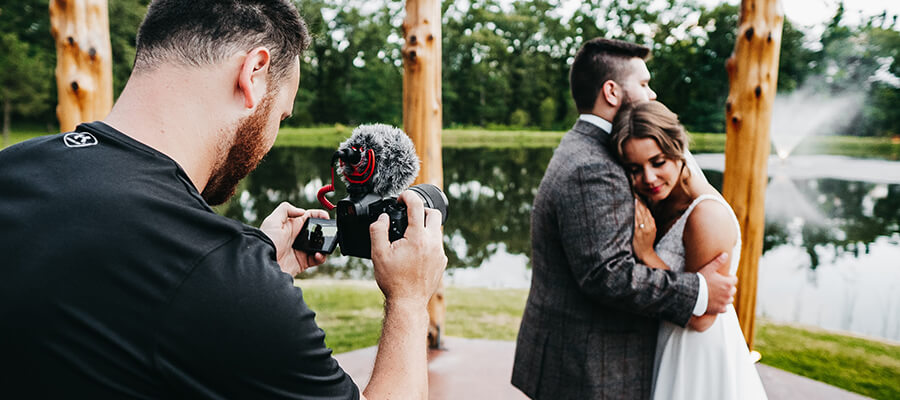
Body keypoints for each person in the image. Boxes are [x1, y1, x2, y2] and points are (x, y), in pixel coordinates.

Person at [0, 1, 446, 398]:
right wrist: (408, 298)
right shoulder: (216, 272)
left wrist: (259, 262)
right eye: (281, 115)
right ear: (253, 73)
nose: (271, 138)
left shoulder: (14, 168)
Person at [511, 38, 738, 399]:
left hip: (573, 352)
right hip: (592, 365)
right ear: (613, 91)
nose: (652, 94)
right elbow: (606, 274)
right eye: (644, 83)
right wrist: (698, 292)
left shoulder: (585, 147)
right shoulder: (594, 165)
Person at [611, 101, 767, 399]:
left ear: (678, 150)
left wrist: (646, 254)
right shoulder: (659, 199)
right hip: (666, 338)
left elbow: (701, 317)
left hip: (696, 352)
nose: (648, 178)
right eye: (635, 169)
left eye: (658, 162)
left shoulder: (706, 216)